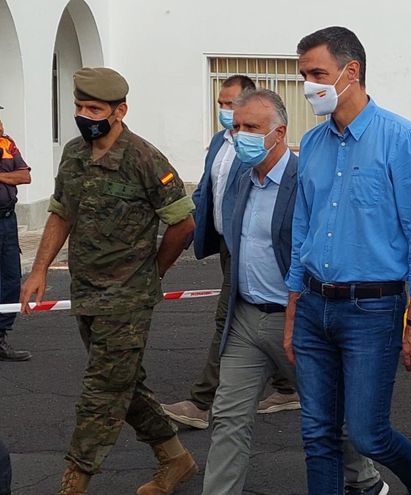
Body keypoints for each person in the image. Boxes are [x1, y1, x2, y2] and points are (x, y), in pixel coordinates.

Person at [283, 26, 411, 495]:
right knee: (316, 433)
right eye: (303, 76)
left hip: (372, 310)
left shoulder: (400, 139)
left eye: (317, 73)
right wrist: (294, 306)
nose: (308, 86)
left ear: (351, 72)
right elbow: (303, 229)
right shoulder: (313, 145)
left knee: (367, 432)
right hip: (314, 304)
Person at [19, 67, 197, 495]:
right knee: (123, 383)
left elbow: (182, 224)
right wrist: (40, 269)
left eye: (93, 108)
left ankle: (75, 480)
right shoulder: (75, 155)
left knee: (101, 390)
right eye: (79, 106)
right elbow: (62, 212)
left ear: (120, 111)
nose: (84, 114)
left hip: (127, 301)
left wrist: (153, 272)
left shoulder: (144, 159)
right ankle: (176, 459)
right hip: (86, 293)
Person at [201, 88, 383, 495]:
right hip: (246, 317)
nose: (240, 135)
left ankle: (365, 480)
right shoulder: (238, 178)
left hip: (297, 319)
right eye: (237, 127)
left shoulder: (307, 180)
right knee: (228, 418)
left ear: (279, 133)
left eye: (252, 127)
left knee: (326, 417)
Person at [162, 75, 299, 430]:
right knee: (240, 326)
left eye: (236, 108)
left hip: (263, 256)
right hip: (231, 244)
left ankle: (202, 400)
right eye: (224, 107)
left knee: (230, 321)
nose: (230, 118)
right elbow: (209, 190)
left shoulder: (278, 164)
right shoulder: (222, 143)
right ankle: (283, 387)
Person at [0, 106, 32, 362]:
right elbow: (16, 176)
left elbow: (25, 176)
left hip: (7, 221)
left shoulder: (7, 143)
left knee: (11, 279)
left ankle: (1, 336)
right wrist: (8, 177)